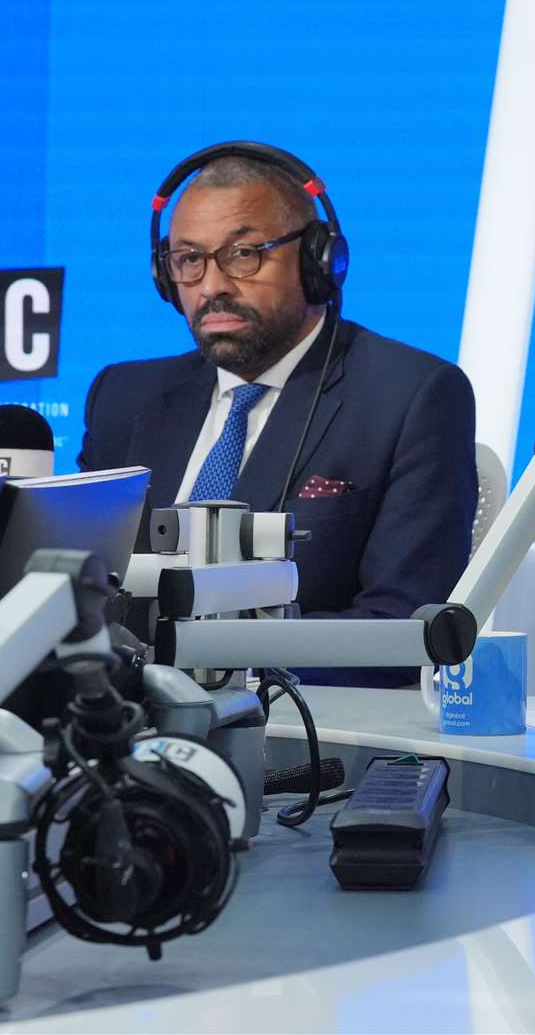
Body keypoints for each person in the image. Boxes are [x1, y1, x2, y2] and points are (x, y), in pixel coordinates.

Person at [79, 143, 477, 687]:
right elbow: (85, 593)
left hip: (297, 728)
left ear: (319, 261)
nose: (213, 286)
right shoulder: (123, 397)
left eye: (243, 254)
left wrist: (209, 670)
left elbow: (401, 627)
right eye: (189, 259)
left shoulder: (412, 396)